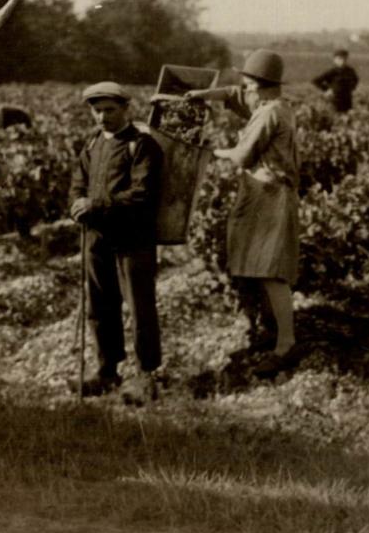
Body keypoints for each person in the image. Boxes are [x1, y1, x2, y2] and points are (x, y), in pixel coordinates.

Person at [184, 49, 301, 378]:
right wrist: (203, 94)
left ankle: (285, 344)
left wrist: (206, 152)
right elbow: (232, 94)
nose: (244, 89)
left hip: (270, 194)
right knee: (250, 267)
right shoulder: (271, 104)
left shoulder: (269, 115)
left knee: (270, 271)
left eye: (248, 84)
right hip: (260, 192)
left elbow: (241, 157)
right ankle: (264, 332)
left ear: (261, 86)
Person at [69, 81, 163, 404]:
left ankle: (146, 376)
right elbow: (77, 183)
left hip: (133, 239)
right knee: (99, 306)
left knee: (140, 307)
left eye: (110, 110)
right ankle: (107, 371)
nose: (102, 116)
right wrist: (77, 205)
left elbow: (142, 194)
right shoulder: (93, 144)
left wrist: (95, 205)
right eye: (97, 111)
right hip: (96, 237)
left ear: (126, 109)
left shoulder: (143, 145)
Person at [311, 48, 359, 113]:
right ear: (335, 60)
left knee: (346, 118)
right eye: (340, 59)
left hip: (347, 99)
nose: (342, 61)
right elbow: (316, 81)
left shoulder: (350, 71)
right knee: (335, 117)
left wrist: (352, 88)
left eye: (344, 59)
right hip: (335, 99)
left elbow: (356, 80)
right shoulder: (332, 71)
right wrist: (327, 90)